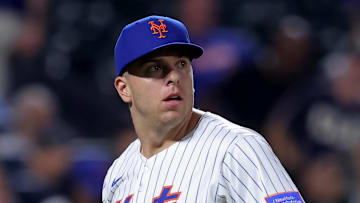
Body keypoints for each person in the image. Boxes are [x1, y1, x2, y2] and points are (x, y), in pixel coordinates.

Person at [102, 15, 304, 203]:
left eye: (181, 64)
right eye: (155, 68)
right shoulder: (119, 170)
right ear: (124, 89)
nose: (174, 77)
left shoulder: (237, 148)